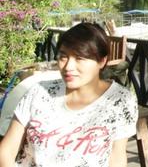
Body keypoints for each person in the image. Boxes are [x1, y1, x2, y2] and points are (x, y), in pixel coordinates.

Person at [0, 23, 138, 167]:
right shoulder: (38, 92)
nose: (68, 67)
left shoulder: (120, 100)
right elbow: (6, 150)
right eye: (63, 57)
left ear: (102, 61)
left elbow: (117, 158)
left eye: (79, 58)